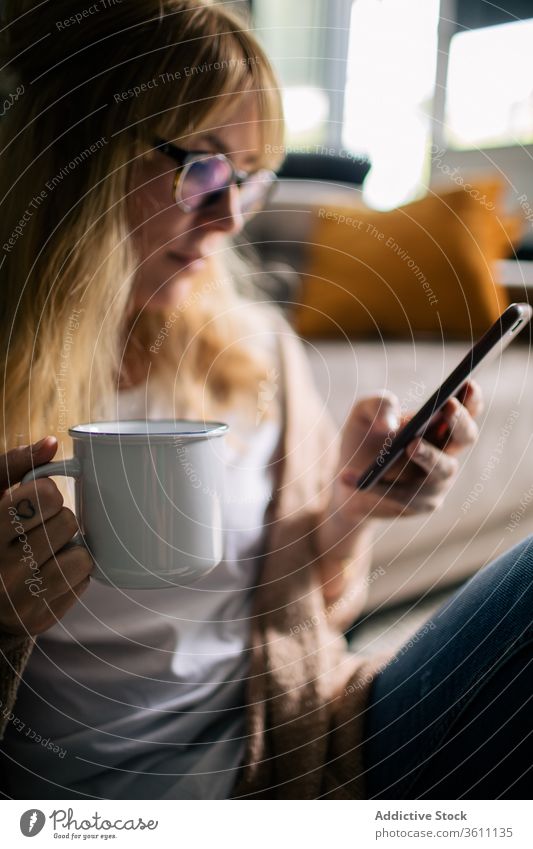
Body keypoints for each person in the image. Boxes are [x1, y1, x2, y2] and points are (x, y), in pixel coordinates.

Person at [0, 0, 530, 800]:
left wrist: (354, 507)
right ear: (77, 157)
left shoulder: (256, 350)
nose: (233, 215)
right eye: (203, 169)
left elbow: (319, 605)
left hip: (303, 754)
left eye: (250, 179)